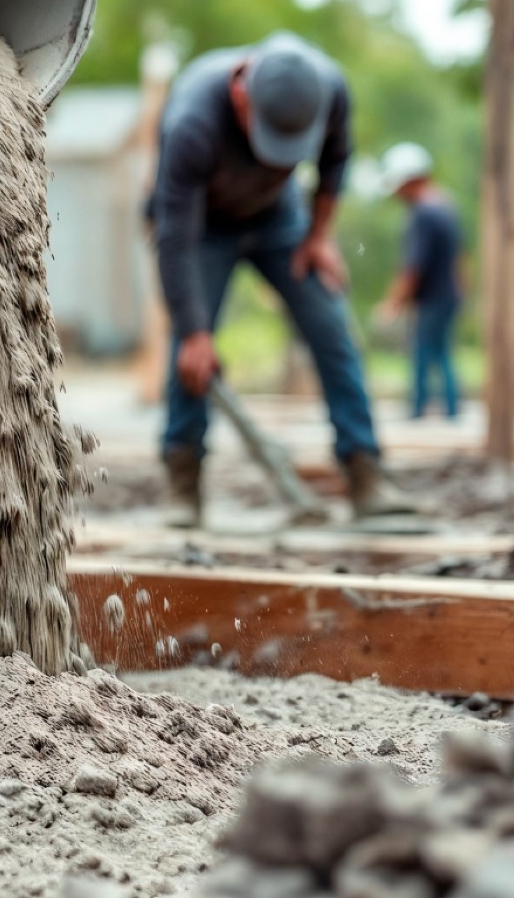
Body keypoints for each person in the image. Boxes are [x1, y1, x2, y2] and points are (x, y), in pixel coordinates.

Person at [147, 32, 414, 528]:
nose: (277, 158)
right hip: (202, 228)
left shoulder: (329, 89)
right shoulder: (193, 121)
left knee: (332, 327)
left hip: (280, 222)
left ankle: (366, 473)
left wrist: (318, 236)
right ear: (241, 95)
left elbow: (335, 164)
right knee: (192, 349)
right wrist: (193, 329)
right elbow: (174, 236)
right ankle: (182, 478)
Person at [375, 143, 463, 420]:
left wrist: (393, 302)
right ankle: (451, 411)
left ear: (410, 180)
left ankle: (418, 410)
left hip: (435, 297)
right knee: (440, 352)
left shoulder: (424, 214)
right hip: (448, 295)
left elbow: (413, 267)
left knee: (424, 353)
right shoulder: (446, 205)